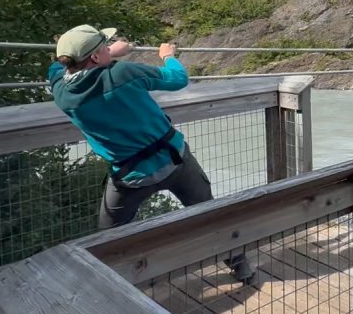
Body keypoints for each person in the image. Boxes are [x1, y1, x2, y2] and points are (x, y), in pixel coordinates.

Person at [47, 25, 254, 283]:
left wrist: (107, 52)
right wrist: (168, 55)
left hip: (129, 176)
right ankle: (240, 265)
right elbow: (177, 79)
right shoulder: (121, 72)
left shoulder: (61, 92)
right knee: (208, 215)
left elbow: (56, 70)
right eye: (103, 46)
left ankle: (110, 284)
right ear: (96, 58)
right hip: (175, 161)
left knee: (108, 237)